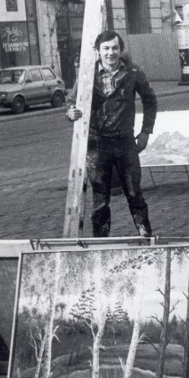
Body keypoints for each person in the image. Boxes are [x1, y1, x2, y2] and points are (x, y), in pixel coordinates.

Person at [66, 30, 158, 238]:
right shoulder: (87, 76)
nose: (111, 53)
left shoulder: (133, 72)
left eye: (115, 48)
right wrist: (71, 113)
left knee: (134, 194)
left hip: (125, 142)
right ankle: (101, 243)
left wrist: (146, 131)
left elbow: (150, 100)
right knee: (100, 198)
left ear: (120, 49)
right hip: (97, 144)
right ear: (98, 51)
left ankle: (146, 237)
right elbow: (72, 103)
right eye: (106, 48)